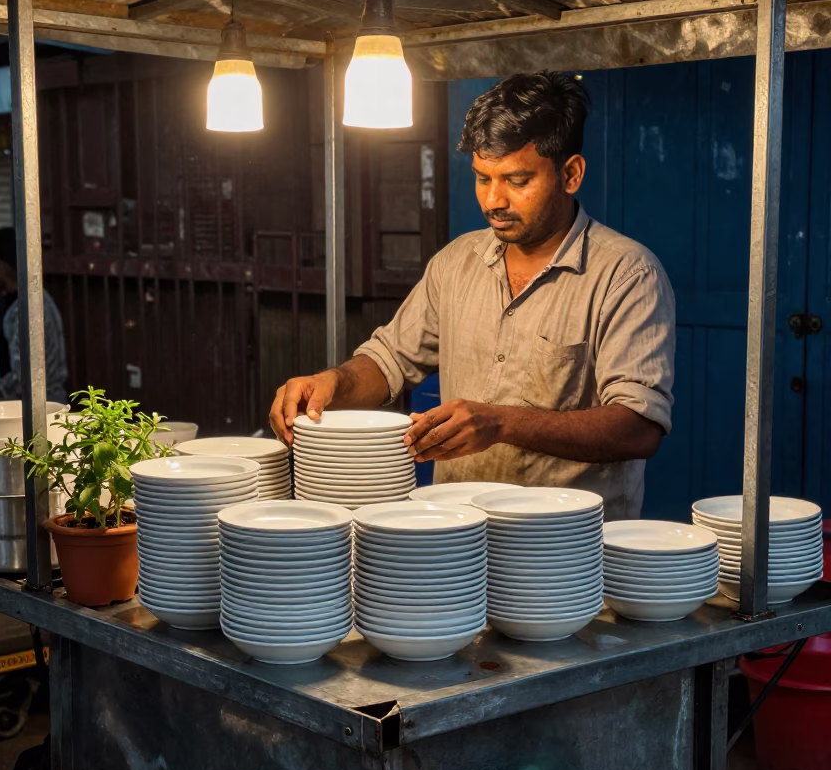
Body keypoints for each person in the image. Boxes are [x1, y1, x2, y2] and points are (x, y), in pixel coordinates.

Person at [270, 72, 675, 519]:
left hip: (566, 552)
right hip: (458, 537)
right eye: (483, 178)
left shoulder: (627, 274)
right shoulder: (456, 262)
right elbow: (388, 362)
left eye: (517, 181)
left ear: (571, 174)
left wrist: (500, 423)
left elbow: (638, 428)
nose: (493, 200)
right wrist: (333, 384)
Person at [0, 227, 69, 405]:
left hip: (39, 405)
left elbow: (25, 376)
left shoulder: (27, 307)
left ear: (0, 265)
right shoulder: (28, 297)